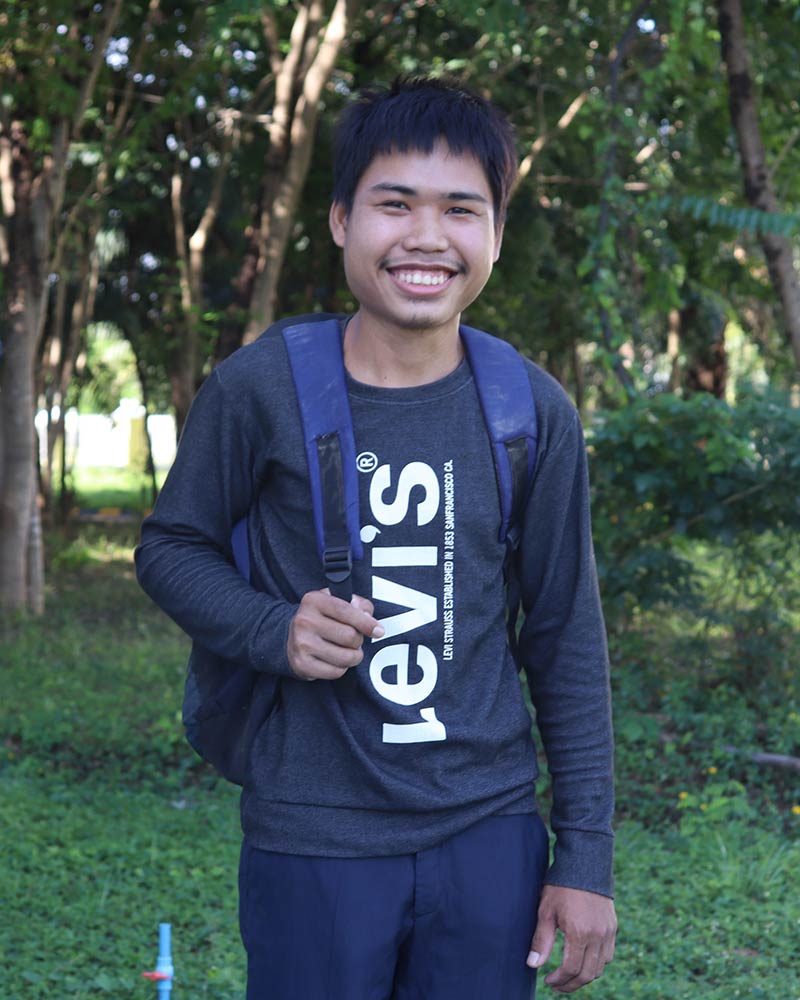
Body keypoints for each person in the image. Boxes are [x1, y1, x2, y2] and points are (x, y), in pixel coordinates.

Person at [136, 76, 616, 999]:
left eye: (461, 210)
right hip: (315, 835)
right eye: (395, 204)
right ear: (341, 220)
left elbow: (564, 634)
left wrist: (584, 854)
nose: (427, 237)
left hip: (490, 835)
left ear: (496, 232)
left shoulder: (530, 410)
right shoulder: (261, 386)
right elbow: (170, 546)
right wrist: (270, 627)